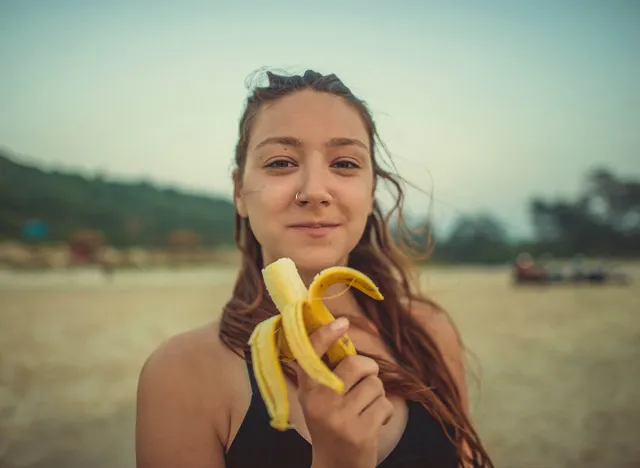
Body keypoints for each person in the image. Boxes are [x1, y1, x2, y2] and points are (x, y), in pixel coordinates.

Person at [135, 69, 494, 468]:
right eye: (281, 162)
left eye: (344, 163)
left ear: (370, 191)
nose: (315, 192)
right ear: (239, 191)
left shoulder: (427, 332)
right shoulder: (182, 373)